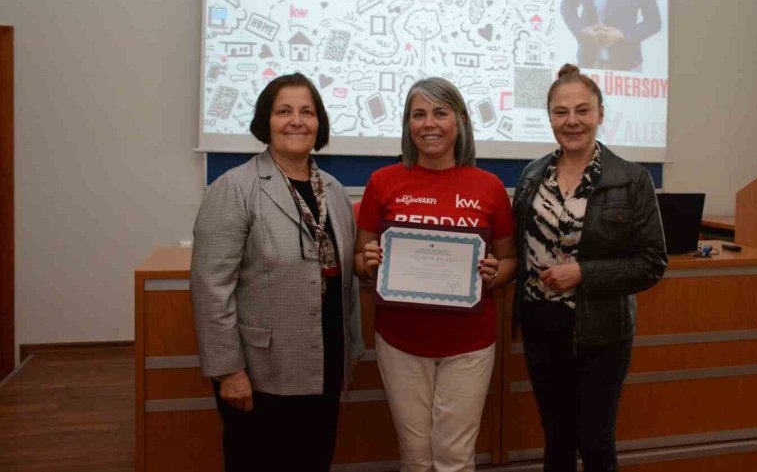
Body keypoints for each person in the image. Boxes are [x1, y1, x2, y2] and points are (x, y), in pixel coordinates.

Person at [190, 73, 365, 472]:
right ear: (265, 121)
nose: (296, 121)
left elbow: (341, 276)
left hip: (323, 362)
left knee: (314, 460)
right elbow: (210, 288)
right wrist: (228, 371)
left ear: (319, 122)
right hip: (261, 371)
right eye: (283, 111)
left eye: (307, 111)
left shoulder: (335, 191)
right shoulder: (235, 188)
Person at [355, 77, 517, 472]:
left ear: (460, 121)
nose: (429, 124)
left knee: (455, 456)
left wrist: (495, 273)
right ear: (408, 125)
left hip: (470, 343)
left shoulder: (490, 186)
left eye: (440, 113)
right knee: (415, 454)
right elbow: (360, 259)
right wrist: (369, 261)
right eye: (418, 114)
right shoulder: (382, 182)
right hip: (400, 340)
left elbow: (510, 260)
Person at [512, 64, 667, 471]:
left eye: (583, 110)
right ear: (549, 118)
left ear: (601, 113)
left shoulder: (631, 179)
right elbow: (518, 246)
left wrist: (584, 273)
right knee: (557, 438)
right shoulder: (531, 176)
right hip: (541, 327)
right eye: (561, 112)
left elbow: (652, 262)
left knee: (596, 440)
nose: (572, 121)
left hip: (600, 329)